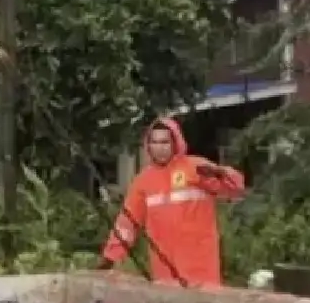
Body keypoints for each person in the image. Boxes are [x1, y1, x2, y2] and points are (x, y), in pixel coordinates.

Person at [99, 117, 246, 287]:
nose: (159, 148)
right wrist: (110, 257)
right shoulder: (143, 181)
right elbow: (127, 223)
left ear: (175, 142)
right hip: (165, 270)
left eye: (164, 142)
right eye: (154, 142)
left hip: (201, 268)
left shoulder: (196, 167)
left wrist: (221, 173)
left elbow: (235, 189)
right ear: (148, 146)